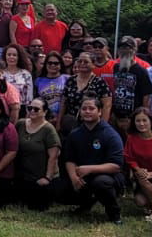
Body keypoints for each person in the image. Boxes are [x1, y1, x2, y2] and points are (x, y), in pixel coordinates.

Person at [51, 95, 124, 223]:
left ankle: (114, 213)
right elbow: (69, 159)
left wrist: (90, 169)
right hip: (82, 176)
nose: (87, 111)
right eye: (84, 109)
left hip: (108, 176)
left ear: (100, 112)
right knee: (56, 188)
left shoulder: (110, 134)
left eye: (92, 108)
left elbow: (116, 166)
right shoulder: (75, 134)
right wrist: (74, 178)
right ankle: (86, 203)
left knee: (101, 183)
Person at [14, 100, 61, 210]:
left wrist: (47, 178)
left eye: (36, 109)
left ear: (44, 112)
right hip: (24, 176)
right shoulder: (20, 124)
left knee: (37, 206)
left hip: (41, 178)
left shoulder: (48, 129)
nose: (32, 111)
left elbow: (54, 156)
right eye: (30, 108)